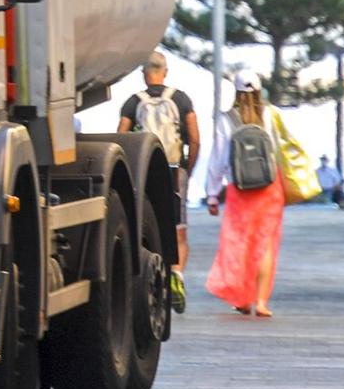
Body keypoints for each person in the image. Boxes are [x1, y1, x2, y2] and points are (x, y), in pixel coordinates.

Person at [203, 70, 300, 317]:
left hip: (240, 189)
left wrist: (212, 194)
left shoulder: (226, 119)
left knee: (240, 244)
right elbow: (281, 150)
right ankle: (261, 301)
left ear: (235, 91)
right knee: (265, 245)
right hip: (270, 187)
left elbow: (219, 158)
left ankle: (242, 299)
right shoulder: (270, 115)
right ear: (259, 90)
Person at [117, 51, 200, 312]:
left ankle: (156, 276)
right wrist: (188, 168)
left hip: (146, 171)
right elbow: (195, 138)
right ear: (165, 71)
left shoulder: (133, 102)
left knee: (149, 223)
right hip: (175, 169)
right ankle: (176, 274)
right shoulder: (181, 99)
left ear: (144, 74)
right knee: (179, 229)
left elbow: (121, 136)